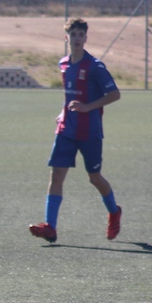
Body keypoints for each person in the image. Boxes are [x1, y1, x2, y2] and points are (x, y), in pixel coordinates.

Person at [28, 19, 123, 244]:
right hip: (66, 129)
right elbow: (69, 95)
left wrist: (87, 107)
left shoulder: (95, 66)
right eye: (74, 34)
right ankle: (50, 226)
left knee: (94, 177)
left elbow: (114, 94)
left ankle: (114, 211)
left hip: (90, 131)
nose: (77, 38)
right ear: (67, 38)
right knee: (56, 175)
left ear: (86, 38)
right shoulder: (63, 64)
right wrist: (64, 112)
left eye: (81, 34)